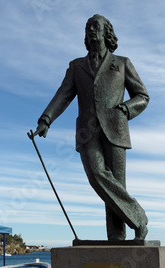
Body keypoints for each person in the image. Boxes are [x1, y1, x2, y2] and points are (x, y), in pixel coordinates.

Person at [33, 14, 149, 240]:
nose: (91, 31)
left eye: (96, 27)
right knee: (96, 175)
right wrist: (45, 120)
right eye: (88, 28)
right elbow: (63, 95)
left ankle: (116, 237)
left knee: (116, 184)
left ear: (107, 32)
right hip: (87, 132)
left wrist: (126, 109)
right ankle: (139, 218)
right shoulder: (77, 66)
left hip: (116, 129)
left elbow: (142, 95)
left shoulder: (122, 63)